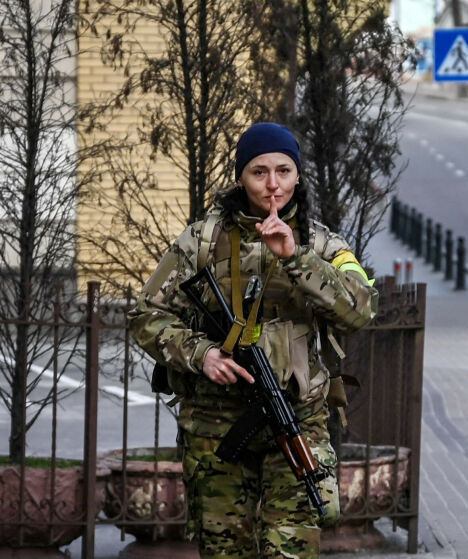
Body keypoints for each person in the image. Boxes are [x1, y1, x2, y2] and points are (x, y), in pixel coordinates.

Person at [129, 122, 378, 558]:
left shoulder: (321, 243)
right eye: (259, 172)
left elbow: (361, 310)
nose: (273, 184)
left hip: (296, 417)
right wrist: (202, 354)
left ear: (297, 175)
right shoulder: (202, 240)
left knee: (291, 549)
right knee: (225, 551)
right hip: (216, 422)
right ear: (241, 177)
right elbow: (146, 314)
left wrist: (297, 258)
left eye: (284, 171)